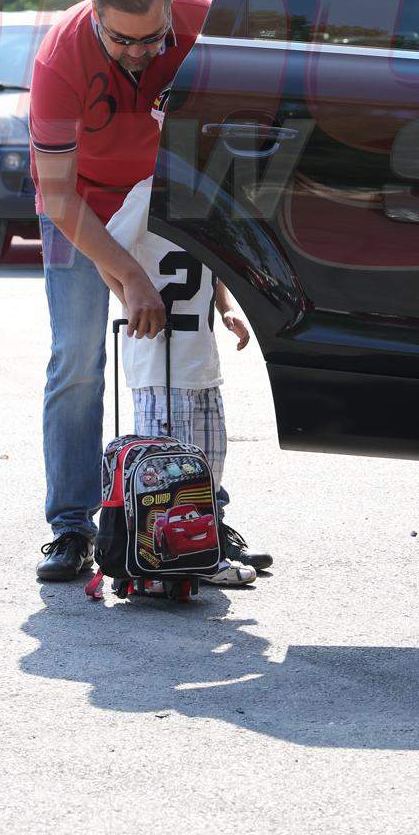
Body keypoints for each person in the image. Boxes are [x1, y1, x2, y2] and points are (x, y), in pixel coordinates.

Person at [30, 0, 272, 581]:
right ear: (94, 18)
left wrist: (213, 276)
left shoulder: (208, 27)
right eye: (121, 40)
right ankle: (72, 526)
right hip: (82, 201)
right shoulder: (60, 57)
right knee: (78, 358)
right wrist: (129, 276)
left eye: (152, 39)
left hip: (170, 197)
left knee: (185, 352)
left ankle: (199, 517)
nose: (139, 52)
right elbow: (56, 195)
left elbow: (231, 155)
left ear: (171, 15)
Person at [106, 174, 258, 586]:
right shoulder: (148, 192)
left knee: (210, 463)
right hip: (159, 359)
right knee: (164, 470)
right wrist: (129, 298)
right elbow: (104, 251)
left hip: (200, 358)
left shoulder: (211, 192)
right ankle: (154, 563)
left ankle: (200, 553)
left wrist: (226, 307)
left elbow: (213, 261)